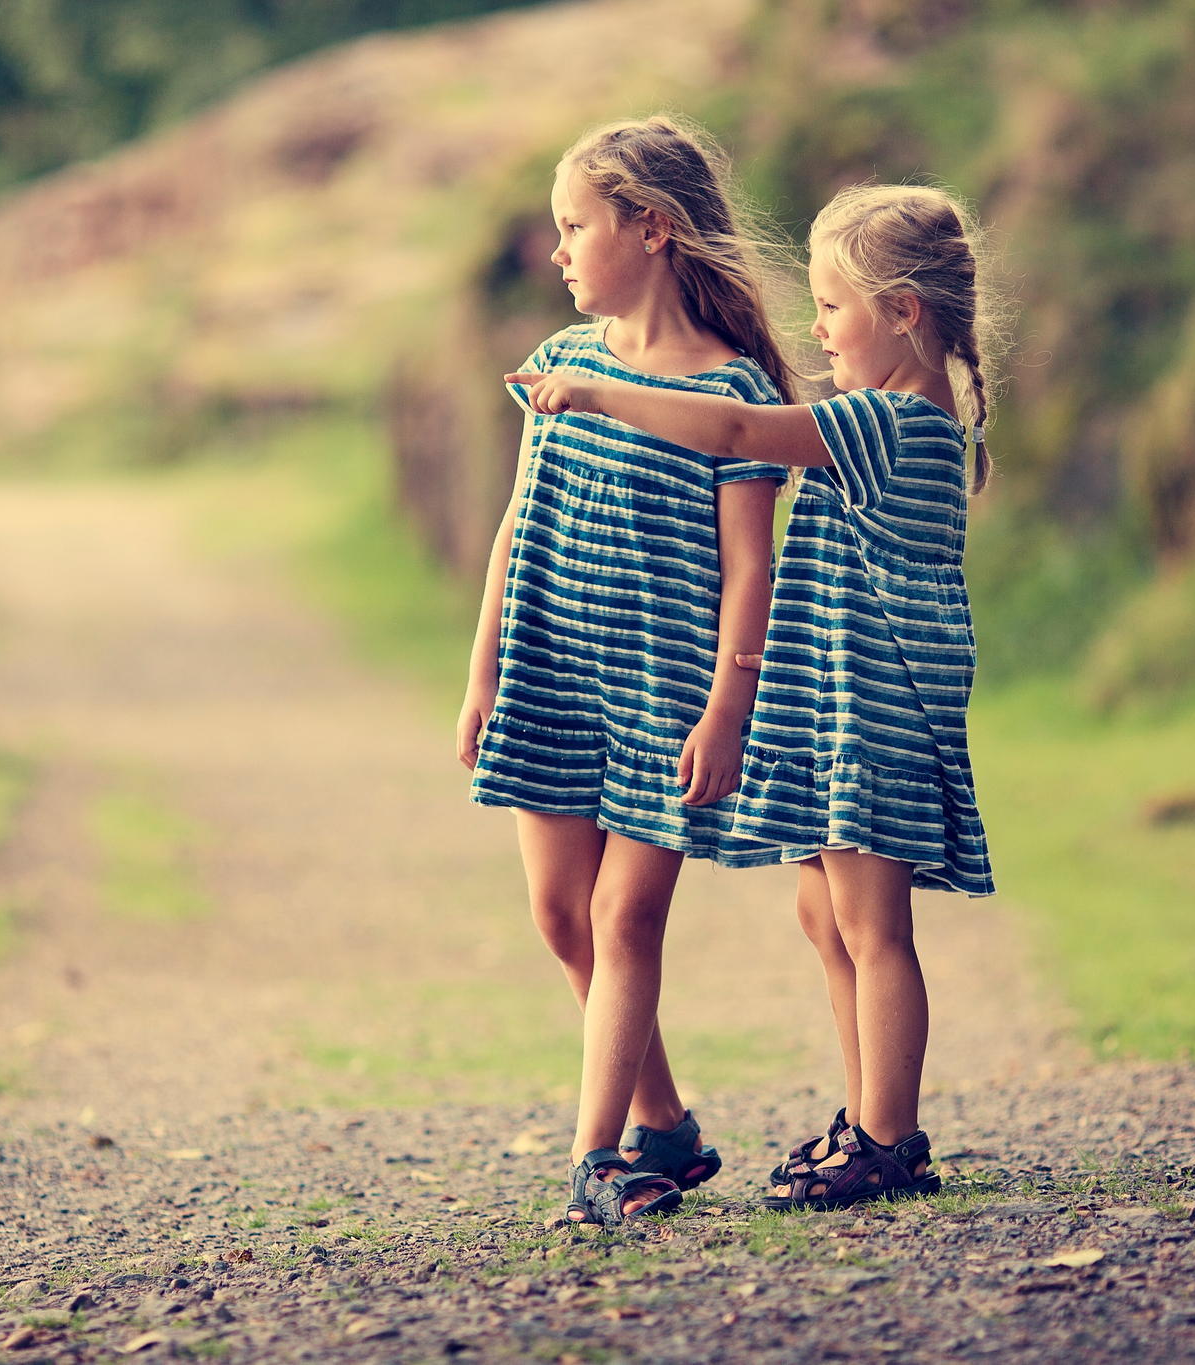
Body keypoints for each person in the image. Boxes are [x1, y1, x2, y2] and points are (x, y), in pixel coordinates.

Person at [505, 181, 1001, 1209]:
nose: (814, 331)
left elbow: (734, 431)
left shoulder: (890, 421)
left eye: (828, 308)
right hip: (841, 710)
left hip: (874, 713)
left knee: (872, 930)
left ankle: (887, 1138)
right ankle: (864, 1119)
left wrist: (600, 395)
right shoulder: (896, 415)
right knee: (826, 920)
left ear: (901, 312)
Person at [457, 114, 798, 1226]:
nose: (556, 252)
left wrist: (727, 708)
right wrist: (482, 670)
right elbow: (514, 524)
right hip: (551, 671)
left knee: (622, 920)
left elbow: (749, 573)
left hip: (666, 694)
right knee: (561, 918)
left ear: (648, 229)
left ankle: (596, 1160)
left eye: (573, 226)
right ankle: (665, 1128)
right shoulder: (555, 368)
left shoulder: (736, 396)